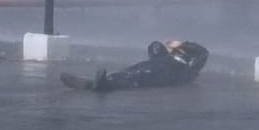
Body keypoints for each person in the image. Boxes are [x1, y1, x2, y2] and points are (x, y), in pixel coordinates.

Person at [61, 39, 208, 92]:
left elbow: (203, 52)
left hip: (163, 75)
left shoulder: (189, 67)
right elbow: (154, 46)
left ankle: (102, 86)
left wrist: (182, 44)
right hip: (153, 67)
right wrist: (167, 47)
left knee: (137, 78)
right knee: (132, 72)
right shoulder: (164, 57)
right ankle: (96, 84)